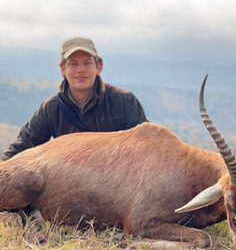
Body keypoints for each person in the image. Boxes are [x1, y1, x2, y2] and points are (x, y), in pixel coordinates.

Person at [0, 37, 148, 162]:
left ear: (99, 68)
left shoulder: (124, 101)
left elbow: (147, 147)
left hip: (118, 188)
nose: (81, 69)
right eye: (73, 63)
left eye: (87, 63)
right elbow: (19, 150)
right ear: (63, 70)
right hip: (70, 191)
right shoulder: (50, 109)